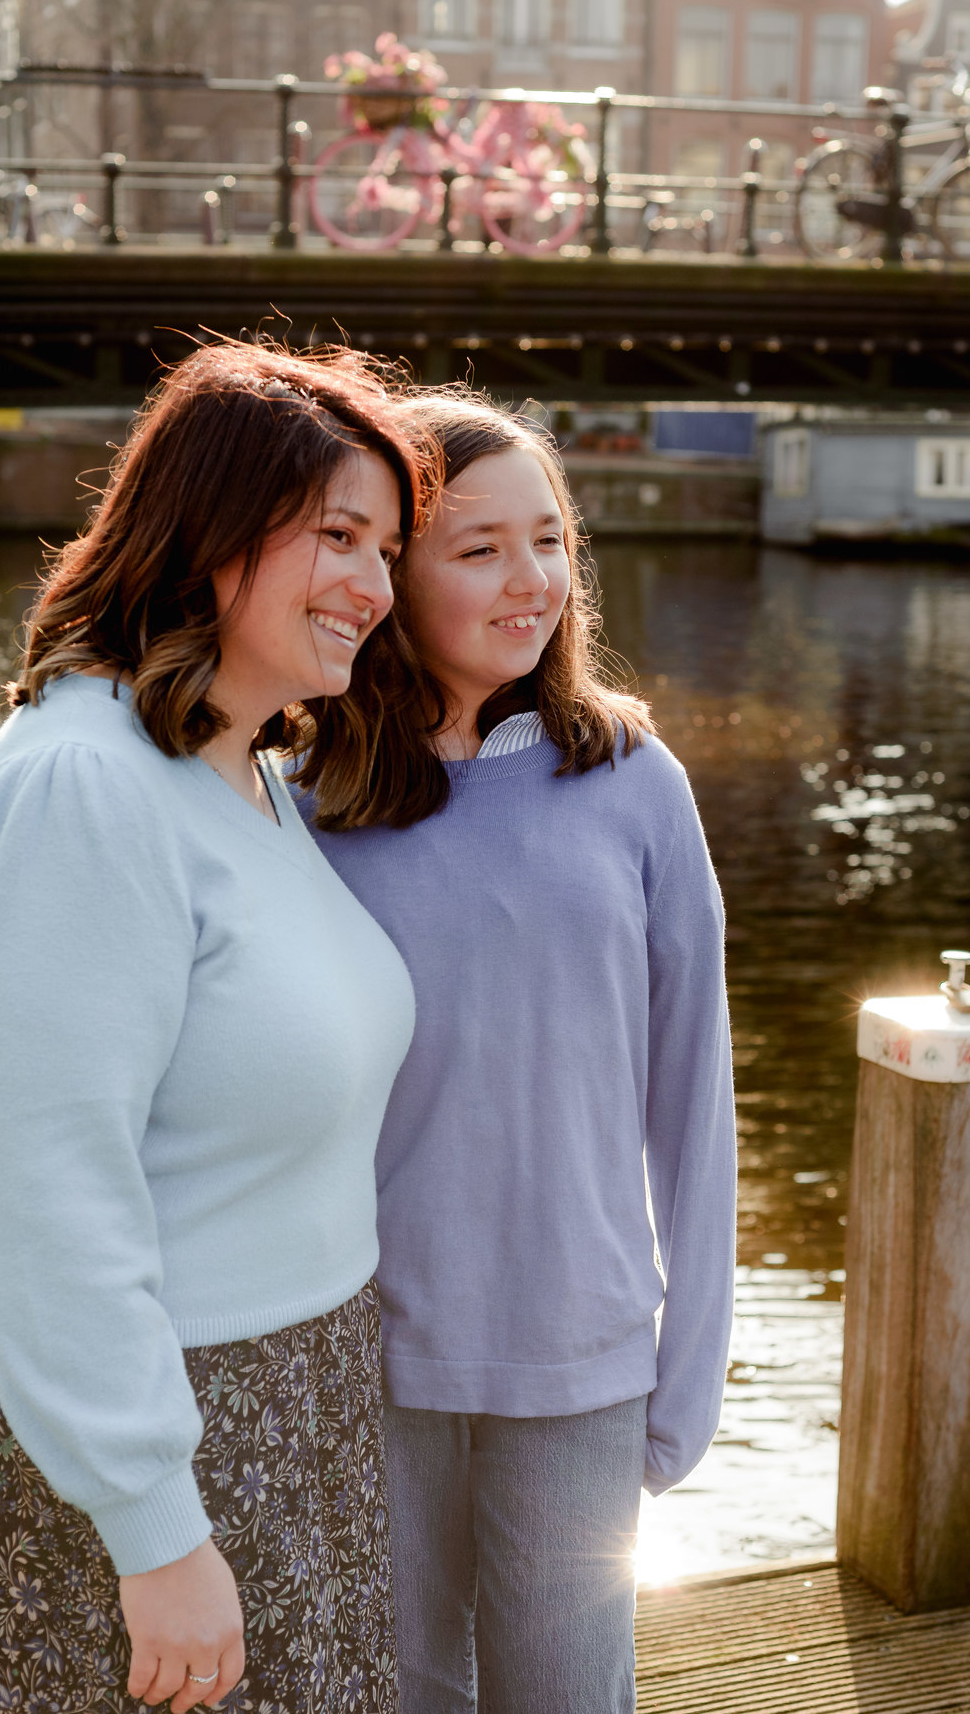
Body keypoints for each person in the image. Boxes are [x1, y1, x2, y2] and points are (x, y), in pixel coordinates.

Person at [0, 342, 430, 1714]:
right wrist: (154, 1523)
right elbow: (48, 1180)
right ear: (210, 531)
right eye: (339, 538)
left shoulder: (233, 759)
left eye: (388, 547)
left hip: (282, 1396)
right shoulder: (87, 784)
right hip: (139, 1432)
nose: (377, 588)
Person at [292, 391, 738, 1714]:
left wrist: (689, 1367)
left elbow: (694, 1101)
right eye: (479, 548)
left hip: (583, 1359)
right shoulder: (297, 788)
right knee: (392, 1692)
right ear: (388, 576)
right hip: (361, 1356)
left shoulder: (637, 781)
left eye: (549, 541)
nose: (531, 579)